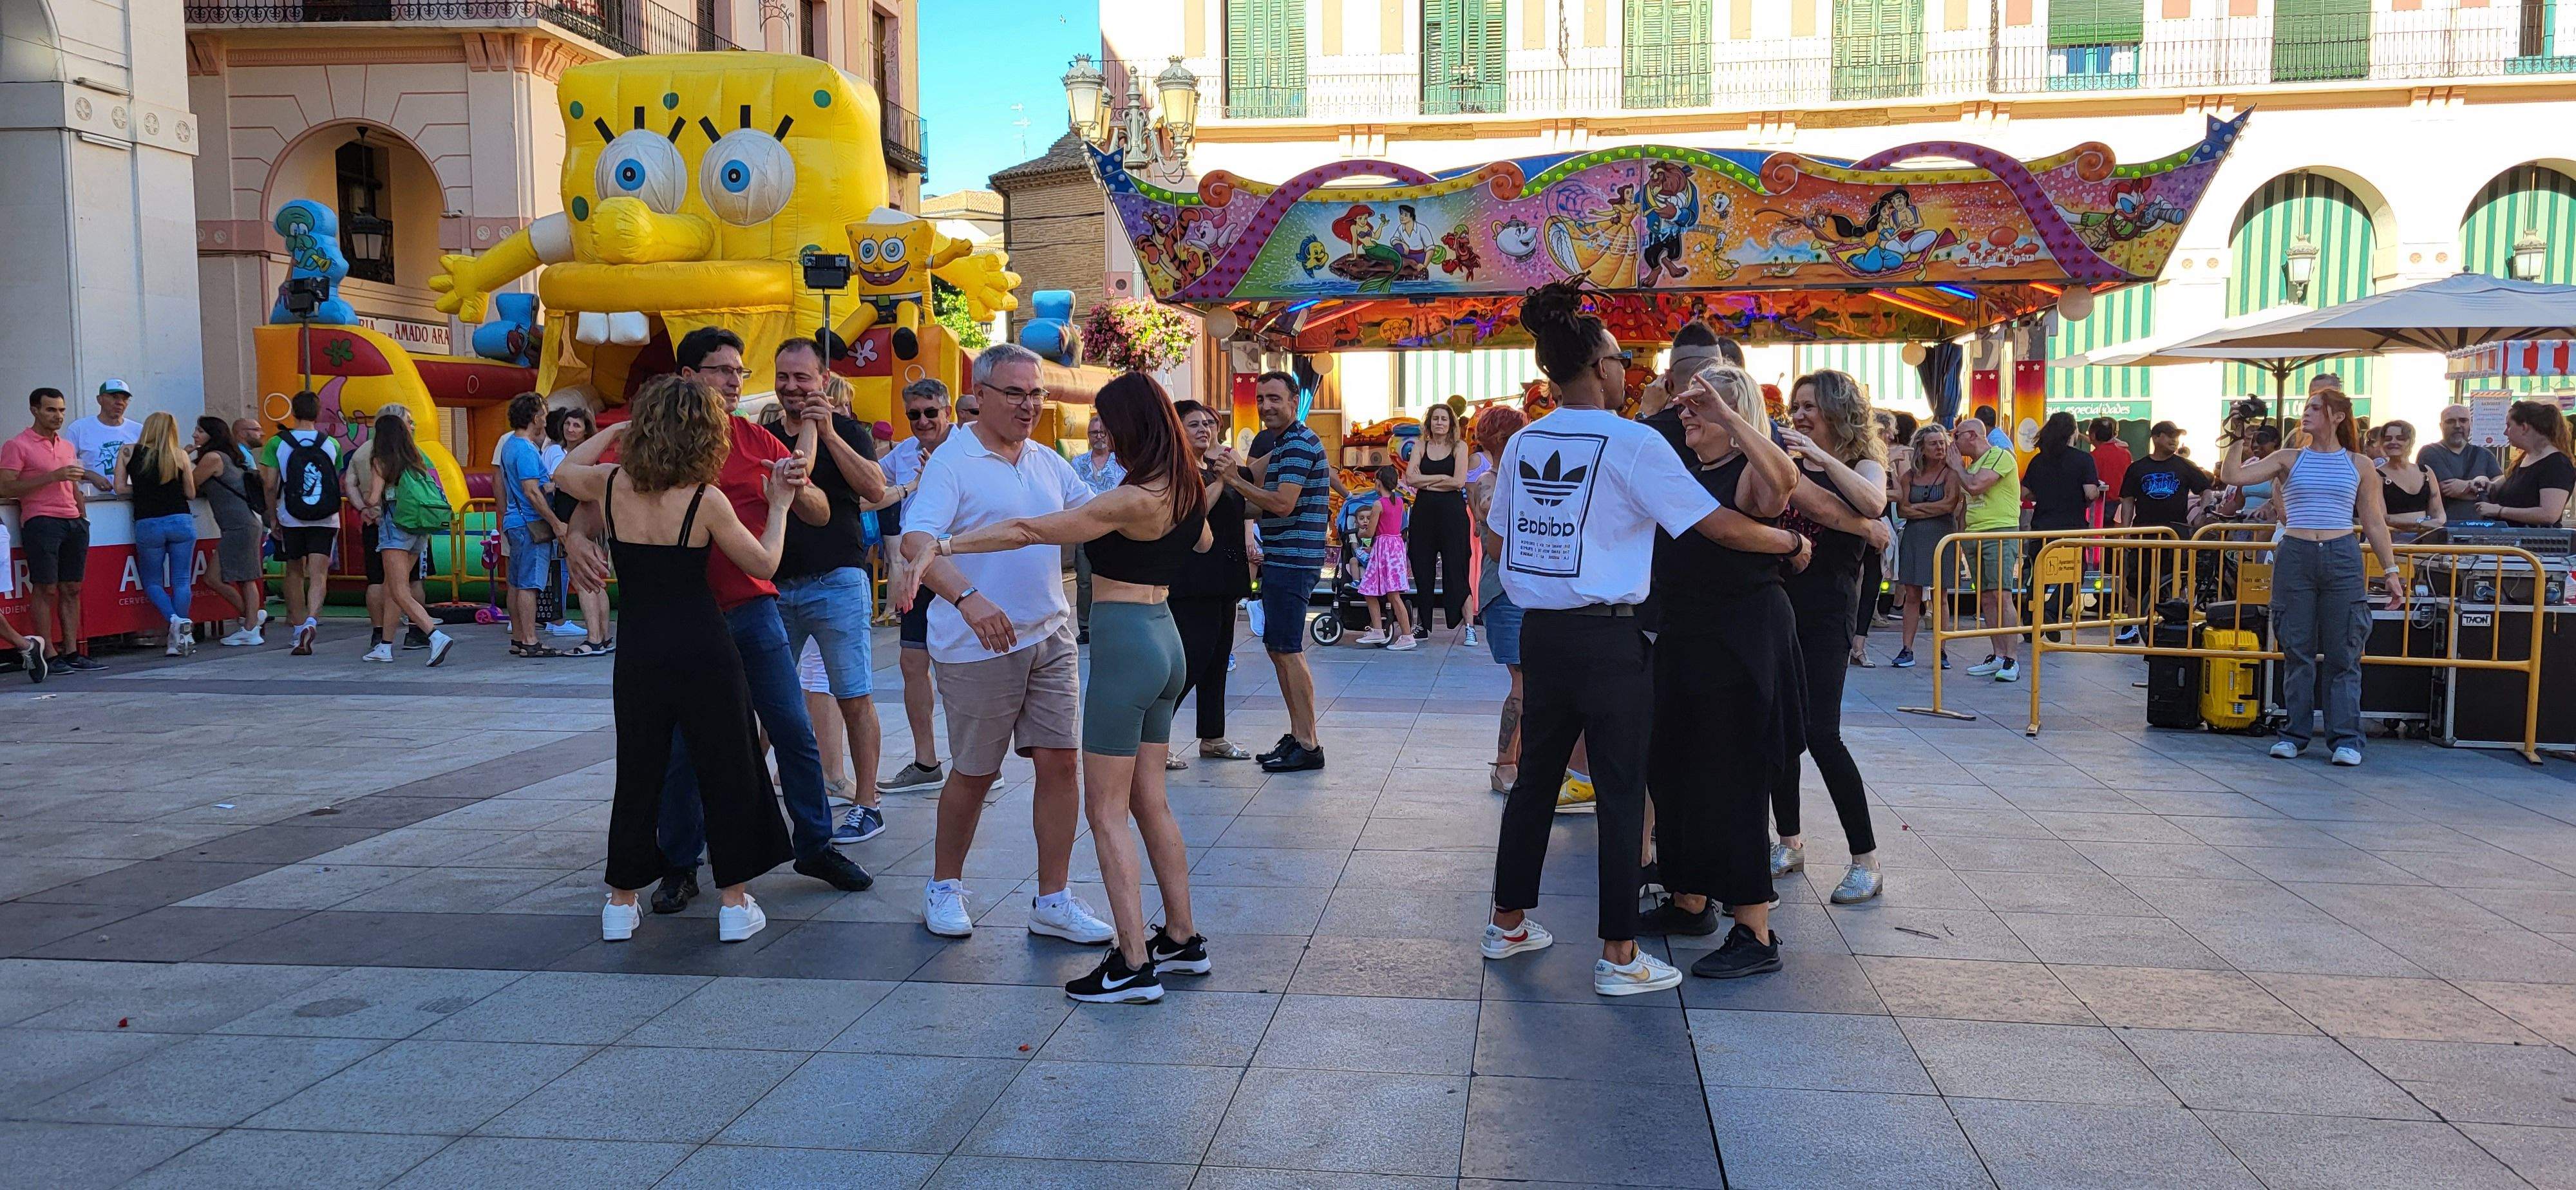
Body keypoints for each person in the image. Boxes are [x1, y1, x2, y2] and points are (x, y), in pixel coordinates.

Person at [1483, 280, 1792, 997]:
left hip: (1542, 633)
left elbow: (1498, 538)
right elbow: (1713, 524)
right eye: (1622, 359)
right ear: (1597, 368)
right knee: (1621, 793)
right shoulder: (1629, 442)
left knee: (1536, 784)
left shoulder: (1527, 440)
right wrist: (1784, 540)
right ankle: (1618, 956)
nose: (1631, 371)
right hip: (1610, 639)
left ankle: (1508, 922)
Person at [901, 372, 1213, 1003]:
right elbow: (1203, 542)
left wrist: (944, 543)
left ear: (1129, 427)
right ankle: (1181, 939)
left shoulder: (1132, 498)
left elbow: (1029, 531)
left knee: (1104, 811)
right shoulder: (1186, 485)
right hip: (1166, 638)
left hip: (1127, 646)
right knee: (1149, 800)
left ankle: (1130, 964)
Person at [561, 326, 870, 913]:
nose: (733, 382)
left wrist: (795, 490)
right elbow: (588, 501)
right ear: (687, 378)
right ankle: (681, 865)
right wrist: (576, 540)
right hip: (688, 622)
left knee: (793, 733)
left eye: (738, 371)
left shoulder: (758, 440)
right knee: (681, 752)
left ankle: (815, 844)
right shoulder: (650, 455)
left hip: (752, 610)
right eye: (720, 370)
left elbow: (823, 511)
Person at [893, 342, 1117, 944]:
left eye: (1037, 394)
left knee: (1060, 761)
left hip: (1049, 630)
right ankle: (944, 886)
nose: (1029, 405)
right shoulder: (952, 461)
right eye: (1015, 393)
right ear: (981, 396)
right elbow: (918, 543)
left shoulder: (1046, 460)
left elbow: (1095, 518)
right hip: (976, 645)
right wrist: (969, 600)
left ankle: (1053, 899)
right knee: (975, 771)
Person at [564, 375, 797, 944]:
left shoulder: (613, 482)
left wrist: (615, 428)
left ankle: (620, 902)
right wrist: (780, 506)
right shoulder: (705, 499)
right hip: (703, 645)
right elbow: (764, 564)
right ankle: (734, 904)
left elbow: (562, 471)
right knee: (728, 766)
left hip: (640, 647)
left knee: (639, 767)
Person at [1638, 363, 1810, 978]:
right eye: (1683, 406)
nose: (1686, 415)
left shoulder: (1747, 472)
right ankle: (1689, 901)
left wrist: (1733, 416)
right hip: (1686, 636)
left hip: (1742, 638)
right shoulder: (1683, 469)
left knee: (1733, 780)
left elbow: (1783, 484)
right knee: (1673, 767)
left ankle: (1755, 930)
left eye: (1697, 408)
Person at [2220, 390, 2405, 767]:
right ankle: (2295, 733)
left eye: (2315, 409)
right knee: (2297, 650)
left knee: (2344, 652)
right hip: (2297, 552)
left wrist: (2391, 571)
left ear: (2337, 417)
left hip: (2341, 553)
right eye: (2305, 409)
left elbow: (2373, 520)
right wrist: (2238, 435)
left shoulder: (2360, 464)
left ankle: (2346, 739)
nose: (2306, 414)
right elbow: (2233, 476)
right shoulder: (2288, 458)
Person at [1767, 370, 1891, 903]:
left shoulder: (1860, 463)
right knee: (1779, 732)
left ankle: (1865, 859)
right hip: (1779, 604)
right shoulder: (1786, 462)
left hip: (1828, 609)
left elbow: (1875, 505)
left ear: (1838, 411)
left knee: (1822, 732)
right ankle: (1789, 841)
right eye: (1796, 406)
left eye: (1810, 406)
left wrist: (1825, 461)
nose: (1799, 415)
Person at [762, 346, 891, 846]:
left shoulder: (849, 432)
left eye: (801, 378)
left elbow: (875, 490)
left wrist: (831, 433)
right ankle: (749, 796)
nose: (792, 387)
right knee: (765, 699)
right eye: (783, 377)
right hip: (776, 585)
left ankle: (867, 803)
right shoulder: (767, 437)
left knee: (853, 695)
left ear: (823, 379)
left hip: (836, 581)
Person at [1215, 370, 1332, 773]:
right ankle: (1299, 734)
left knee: (1289, 650)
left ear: (1294, 400)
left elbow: (1280, 504)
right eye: (1260, 398)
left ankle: (1309, 743)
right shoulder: (1283, 444)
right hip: (1283, 557)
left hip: (1294, 559)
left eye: (1274, 399)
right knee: (1278, 649)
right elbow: (1251, 483)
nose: (1265, 406)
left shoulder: (1300, 443)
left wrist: (1231, 479)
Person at [875, 379, 956, 795]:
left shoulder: (968, 448)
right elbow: (869, 494)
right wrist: (907, 487)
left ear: (947, 412)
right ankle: (927, 761)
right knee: (912, 663)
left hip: (960, 568)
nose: (923, 421)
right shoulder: (902, 454)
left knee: (961, 666)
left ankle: (978, 762)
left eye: (930, 412)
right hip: (917, 573)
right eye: (914, 415)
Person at [1171, 399, 1255, 762]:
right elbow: (1195, 512)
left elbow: (1248, 504)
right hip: (1193, 579)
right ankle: (1156, 741)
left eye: (1208, 423)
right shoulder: (1175, 471)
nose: (1204, 429)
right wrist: (1223, 480)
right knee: (1192, 659)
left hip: (1225, 574)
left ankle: (1212, 735)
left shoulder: (1220, 467)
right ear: (1176, 429)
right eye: (1194, 424)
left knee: (1219, 658)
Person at [356, 411, 460, 666]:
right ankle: (385, 646)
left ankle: (435, 635)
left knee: (400, 591)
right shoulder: (416, 457)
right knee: (394, 589)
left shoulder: (380, 460)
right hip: (419, 529)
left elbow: (372, 498)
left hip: (395, 529)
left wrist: (366, 501)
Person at [3, 388, 95, 672]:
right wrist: (51, 477)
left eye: (62, 411)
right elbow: (6, 487)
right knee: (45, 588)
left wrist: (82, 516)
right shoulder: (17, 445)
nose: (58, 416)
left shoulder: (66, 445)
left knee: (73, 588)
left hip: (72, 520)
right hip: (41, 519)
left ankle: (72, 651)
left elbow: (74, 484)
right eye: (51, 410)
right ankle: (48, 653)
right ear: (35, 410)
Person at [1469, 406, 1528, 795]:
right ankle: (1505, 763)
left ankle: (1520, 761)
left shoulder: (1518, 478)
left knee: (1536, 680)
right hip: (1505, 592)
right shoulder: (1489, 483)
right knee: (1525, 681)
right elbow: (1491, 522)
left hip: (1526, 590)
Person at [345, 405, 434, 655]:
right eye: (409, 421)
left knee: (382, 583)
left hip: (385, 524)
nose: (413, 426)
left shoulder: (366, 454)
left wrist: (364, 507)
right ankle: (411, 635)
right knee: (409, 582)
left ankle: (385, 635)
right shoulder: (415, 454)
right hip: (416, 524)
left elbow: (354, 486)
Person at [261, 389, 342, 657]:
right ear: (318, 413)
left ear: (292, 412)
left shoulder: (277, 443)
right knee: (319, 574)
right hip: (325, 517)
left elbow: (270, 484)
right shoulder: (332, 444)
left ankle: (297, 630)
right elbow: (335, 479)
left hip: (291, 517)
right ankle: (311, 621)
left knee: (294, 572)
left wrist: (272, 516)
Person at [112, 411, 200, 656]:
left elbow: (119, 488)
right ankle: (181, 635)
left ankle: (174, 620)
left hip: (148, 522)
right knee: (182, 580)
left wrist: (142, 491)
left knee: (152, 581)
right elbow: (191, 493)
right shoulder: (180, 455)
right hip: (181, 520)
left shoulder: (128, 451)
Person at [2116, 420, 2211, 641]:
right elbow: (2128, 500)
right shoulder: (2138, 468)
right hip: (2144, 530)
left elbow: (2206, 489)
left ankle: (2176, 624)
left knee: (2175, 578)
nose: (2174, 440)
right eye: (2169, 435)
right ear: (2156, 437)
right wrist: (2126, 529)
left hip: (2175, 533)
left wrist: (2203, 511)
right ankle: (2131, 626)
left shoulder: (2185, 466)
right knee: (2137, 580)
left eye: (2176, 436)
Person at [1949, 417, 2022, 679]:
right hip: (1975, 534)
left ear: (1972, 435)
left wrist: (1957, 467)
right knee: (1987, 597)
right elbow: (1966, 503)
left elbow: (1976, 485)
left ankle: (2012, 659)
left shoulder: (1999, 456)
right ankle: (1998, 653)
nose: (1953, 443)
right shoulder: (1975, 464)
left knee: (2002, 595)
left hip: (1999, 532)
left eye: (1956, 436)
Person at [498, 393, 571, 658]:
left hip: (515, 521)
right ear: (535, 417)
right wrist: (555, 522)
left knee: (517, 583)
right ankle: (530, 640)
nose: (546, 417)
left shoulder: (509, 444)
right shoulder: (527, 450)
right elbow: (531, 491)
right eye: (543, 412)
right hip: (531, 525)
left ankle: (519, 637)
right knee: (530, 583)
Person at [2020, 411, 2102, 634]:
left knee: (2039, 574)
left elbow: (2026, 492)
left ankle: (2030, 620)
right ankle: (2052, 612)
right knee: (2073, 573)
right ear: (2072, 433)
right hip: (2072, 527)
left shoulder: (2038, 460)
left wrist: (2045, 495)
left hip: (2042, 526)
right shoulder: (2083, 460)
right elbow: (2091, 492)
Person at [193, 417, 269, 645]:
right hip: (240, 524)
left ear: (212, 435)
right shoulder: (227, 457)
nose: (195, 435)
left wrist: (183, 458)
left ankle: (250, 627)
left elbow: (190, 484)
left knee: (243, 578)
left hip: (239, 525)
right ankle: (252, 618)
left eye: (200, 431)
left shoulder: (213, 458)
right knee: (221, 578)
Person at [1401, 402, 1473, 640]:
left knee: (1457, 569)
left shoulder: (1460, 447)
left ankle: (1469, 627)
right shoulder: (1420, 445)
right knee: (1422, 569)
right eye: (1435, 419)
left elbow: (1459, 482)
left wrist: (1428, 481)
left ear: (1451, 423)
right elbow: (1411, 478)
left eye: (1444, 419)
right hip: (1424, 515)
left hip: (1452, 516)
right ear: (1429, 423)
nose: (1439, 422)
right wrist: (1443, 477)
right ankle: (1423, 624)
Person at [1892, 422, 1961, 668]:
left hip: (1942, 537)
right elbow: (1902, 509)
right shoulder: (1909, 476)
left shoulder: (1951, 474)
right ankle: (1906, 649)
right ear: (1921, 448)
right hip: (1915, 538)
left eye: (1942, 442)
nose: (1940, 447)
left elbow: (1949, 505)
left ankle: (1941, 651)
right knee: (1912, 594)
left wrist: (1917, 509)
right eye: (1934, 444)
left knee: (1941, 595)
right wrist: (1929, 509)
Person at [545, 408, 612, 654]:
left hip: (580, 526)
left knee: (584, 580)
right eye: (568, 424)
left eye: (577, 425)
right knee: (596, 582)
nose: (571, 429)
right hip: (581, 525)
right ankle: (603, 637)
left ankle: (594, 638)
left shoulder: (583, 459)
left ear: (587, 431)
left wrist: (557, 484)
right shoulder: (574, 456)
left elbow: (583, 489)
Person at [1068, 413, 1126, 645]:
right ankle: (1086, 628)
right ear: (1088, 436)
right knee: (1084, 579)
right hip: (1085, 526)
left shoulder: (1122, 461)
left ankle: (1114, 624)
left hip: (1115, 529)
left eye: (1103, 432)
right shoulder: (1078, 463)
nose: (1099, 437)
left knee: (1115, 576)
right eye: (1094, 433)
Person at [2476, 400, 2576, 527]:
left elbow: (2549, 514)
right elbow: (2506, 486)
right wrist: (2488, 485)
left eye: (2509, 426)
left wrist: (2499, 511)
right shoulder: (2525, 459)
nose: (2505, 432)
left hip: (2534, 544)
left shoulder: (2556, 464)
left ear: (2524, 427)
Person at [1351, 464, 1419, 648]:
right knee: (1391, 594)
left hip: (1383, 549)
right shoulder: (1399, 503)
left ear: (1379, 483)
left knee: (1372, 590)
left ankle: (1399, 634)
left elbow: (1371, 532)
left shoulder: (1378, 504)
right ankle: (1390, 632)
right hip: (1396, 549)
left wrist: (1360, 533)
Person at [2421, 402, 2505, 524]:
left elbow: (2498, 489)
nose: (2457, 425)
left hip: (2485, 528)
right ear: (2441, 426)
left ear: (2470, 425)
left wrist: (2469, 485)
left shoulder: (2485, 455)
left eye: (2463, 421)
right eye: (2450, 421)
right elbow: (2448, 490)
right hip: (2444, 528)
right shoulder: (2430, 453)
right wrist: (2483, 488)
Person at [65, 379, 141, 496]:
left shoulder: (138, 430)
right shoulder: (79, 428)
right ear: (100, 399)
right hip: (94, 502)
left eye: (125, 399)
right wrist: (90, 475)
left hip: (131, 502)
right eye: (114, 397)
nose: (120, 402)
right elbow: (66, 466)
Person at [2372, 419, 2445, 536]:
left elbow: (2439, 514)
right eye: (2388, 439)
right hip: (2393, 540)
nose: (2393, 442)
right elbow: (2384, 517)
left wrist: (2435, 523)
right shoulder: (2377, 475)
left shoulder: (2426, 472)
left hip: (2426, 540)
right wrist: (2421, 523)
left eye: (2401, 438)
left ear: (2411, 441)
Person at [2087, 417, 2132, 530]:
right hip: (2122, 507)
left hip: (2100, 506)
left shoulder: (2092, 457)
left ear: (2093, 435)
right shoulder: (2126, 454)